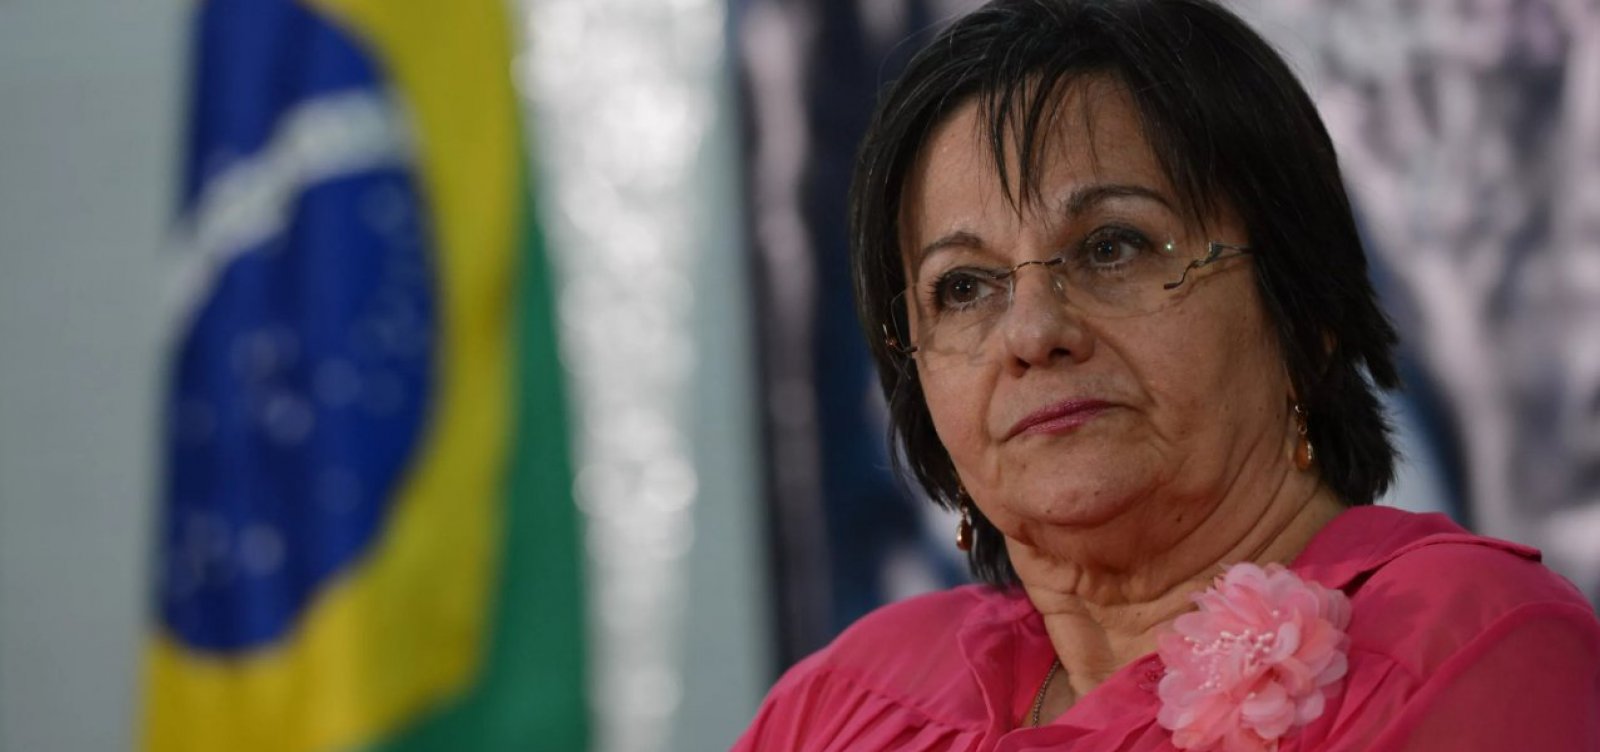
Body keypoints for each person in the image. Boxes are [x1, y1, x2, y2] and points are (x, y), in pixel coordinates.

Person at [732, 1, 1600, 750]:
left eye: (1114, 247)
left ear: (1304, 309)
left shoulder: (1469, 644)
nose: (1031, 334)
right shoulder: (846, 699)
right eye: (963, 288)